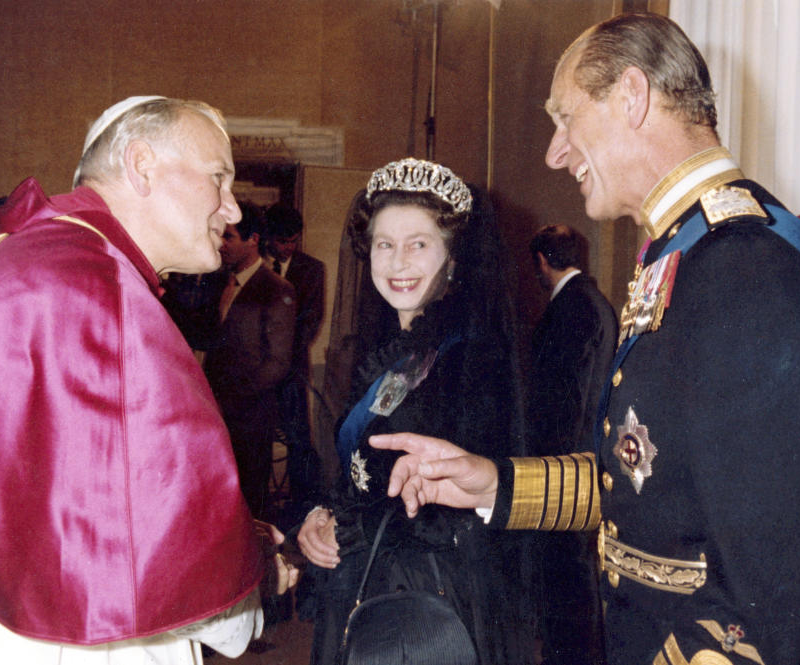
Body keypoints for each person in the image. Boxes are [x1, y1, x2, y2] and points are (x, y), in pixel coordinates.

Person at [371, 14, 800, 665]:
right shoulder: (684, 251)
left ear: (632, 96)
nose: (554, 150)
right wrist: (490, 483)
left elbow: (775, 584)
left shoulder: (744, 266)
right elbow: (642, 484)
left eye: (566, 118)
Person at [0, 96, 297, 663]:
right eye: (219, 178)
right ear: (143, 166)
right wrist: (252, 580)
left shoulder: (35, 251)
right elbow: (161, 536)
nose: (233, 210)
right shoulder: (98, 286)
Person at [297, 158, 533, 665]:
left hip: (432, 597)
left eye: (418, 244)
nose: (398, 262)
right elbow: (358, 475)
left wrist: (356, 528)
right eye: (385, 244)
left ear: (452, 257)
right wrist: (322, 517)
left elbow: (483, 500)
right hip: (364, 580)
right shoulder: (390, 352)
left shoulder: (474, 355)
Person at [527, 224, 616, 665]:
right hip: (579, 458)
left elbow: (562, 398)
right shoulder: (592, 302)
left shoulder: (572, 308)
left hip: (563, 466)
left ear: (542, 261)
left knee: (567, 574)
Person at [205, 200, 297, 520]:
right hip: (216, 414)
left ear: (253, 239)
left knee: (249, 503)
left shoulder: (276, 289)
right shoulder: (219, 281)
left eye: (228, 236)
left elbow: (277, 363)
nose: (221, 244)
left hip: (251, 417)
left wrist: (230, 399)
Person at [264, 203, 327, 517]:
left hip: (292, 370)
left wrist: (284, 360)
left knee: (298, 438)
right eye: (281, 241)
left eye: (293, 240)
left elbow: (312, 321)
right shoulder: (256, 266)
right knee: (258, 437)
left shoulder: (313, 269)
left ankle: (303, 507)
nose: (287, 247)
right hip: (259, 372)